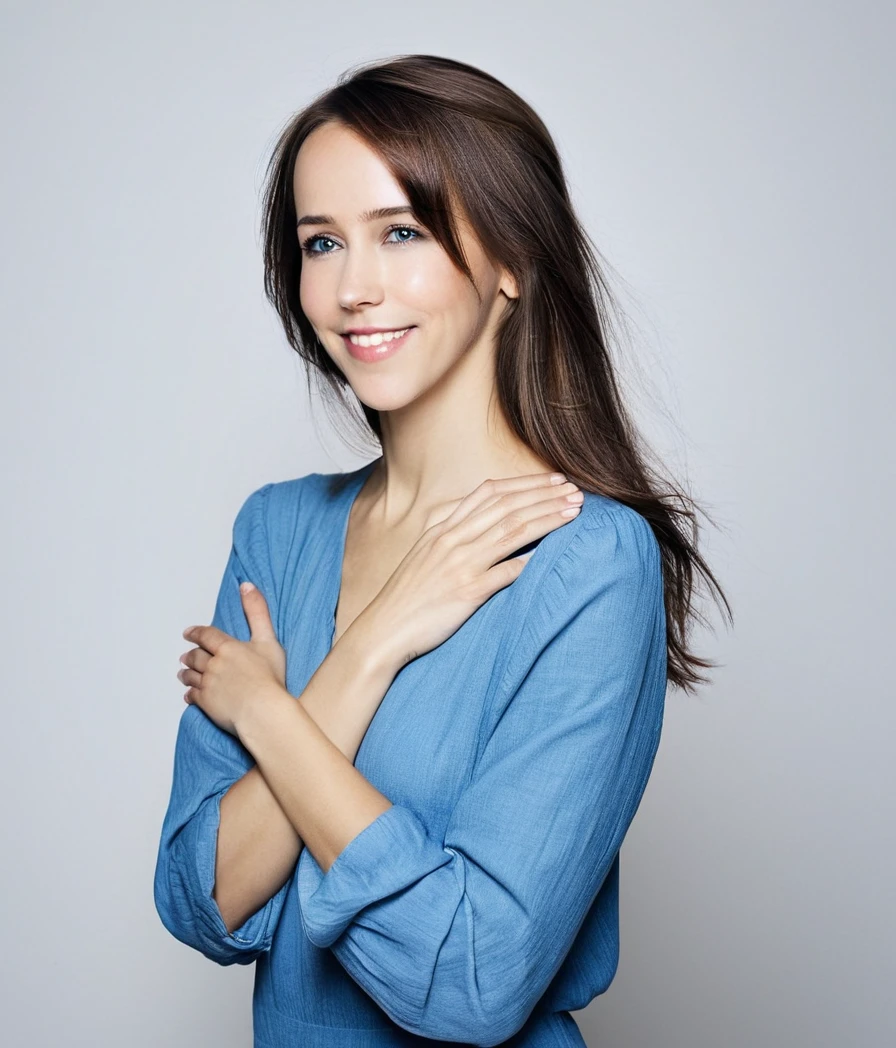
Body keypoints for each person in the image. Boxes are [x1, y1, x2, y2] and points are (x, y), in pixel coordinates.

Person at [153, 54, 731, 1046]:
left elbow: (471, 980)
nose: (352, 288)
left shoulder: (589, 565)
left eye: (401, 232)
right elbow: (199, 898)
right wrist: (370, 648)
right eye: (321, 242)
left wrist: (268, 714)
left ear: (510, 257)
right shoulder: (277, 531)